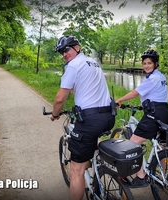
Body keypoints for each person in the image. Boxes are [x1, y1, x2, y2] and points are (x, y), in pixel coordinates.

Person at [50, 35, 115, 199]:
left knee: (76, 171)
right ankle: (96, 168)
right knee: (90, 144)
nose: (64, 54)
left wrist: (55, 114)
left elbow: (60, 98)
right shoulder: (94, 62)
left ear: (77, 47)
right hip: (108, 116)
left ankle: (84, 171)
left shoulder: (73, 65)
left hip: (90, 120)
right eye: (61, 52)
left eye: (66, 49)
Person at [115, 49, 168, 188]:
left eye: (149, 63)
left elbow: (135, 92)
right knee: (160, 146)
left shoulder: (153, 78)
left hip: (154, 114)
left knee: (133, 143)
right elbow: (156, 95)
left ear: (156, 64)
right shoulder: (161, 76)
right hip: (165, 112)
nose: (146, 66)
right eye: (144, 63)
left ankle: (140, 177)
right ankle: (165, 176)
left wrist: (119, 100)